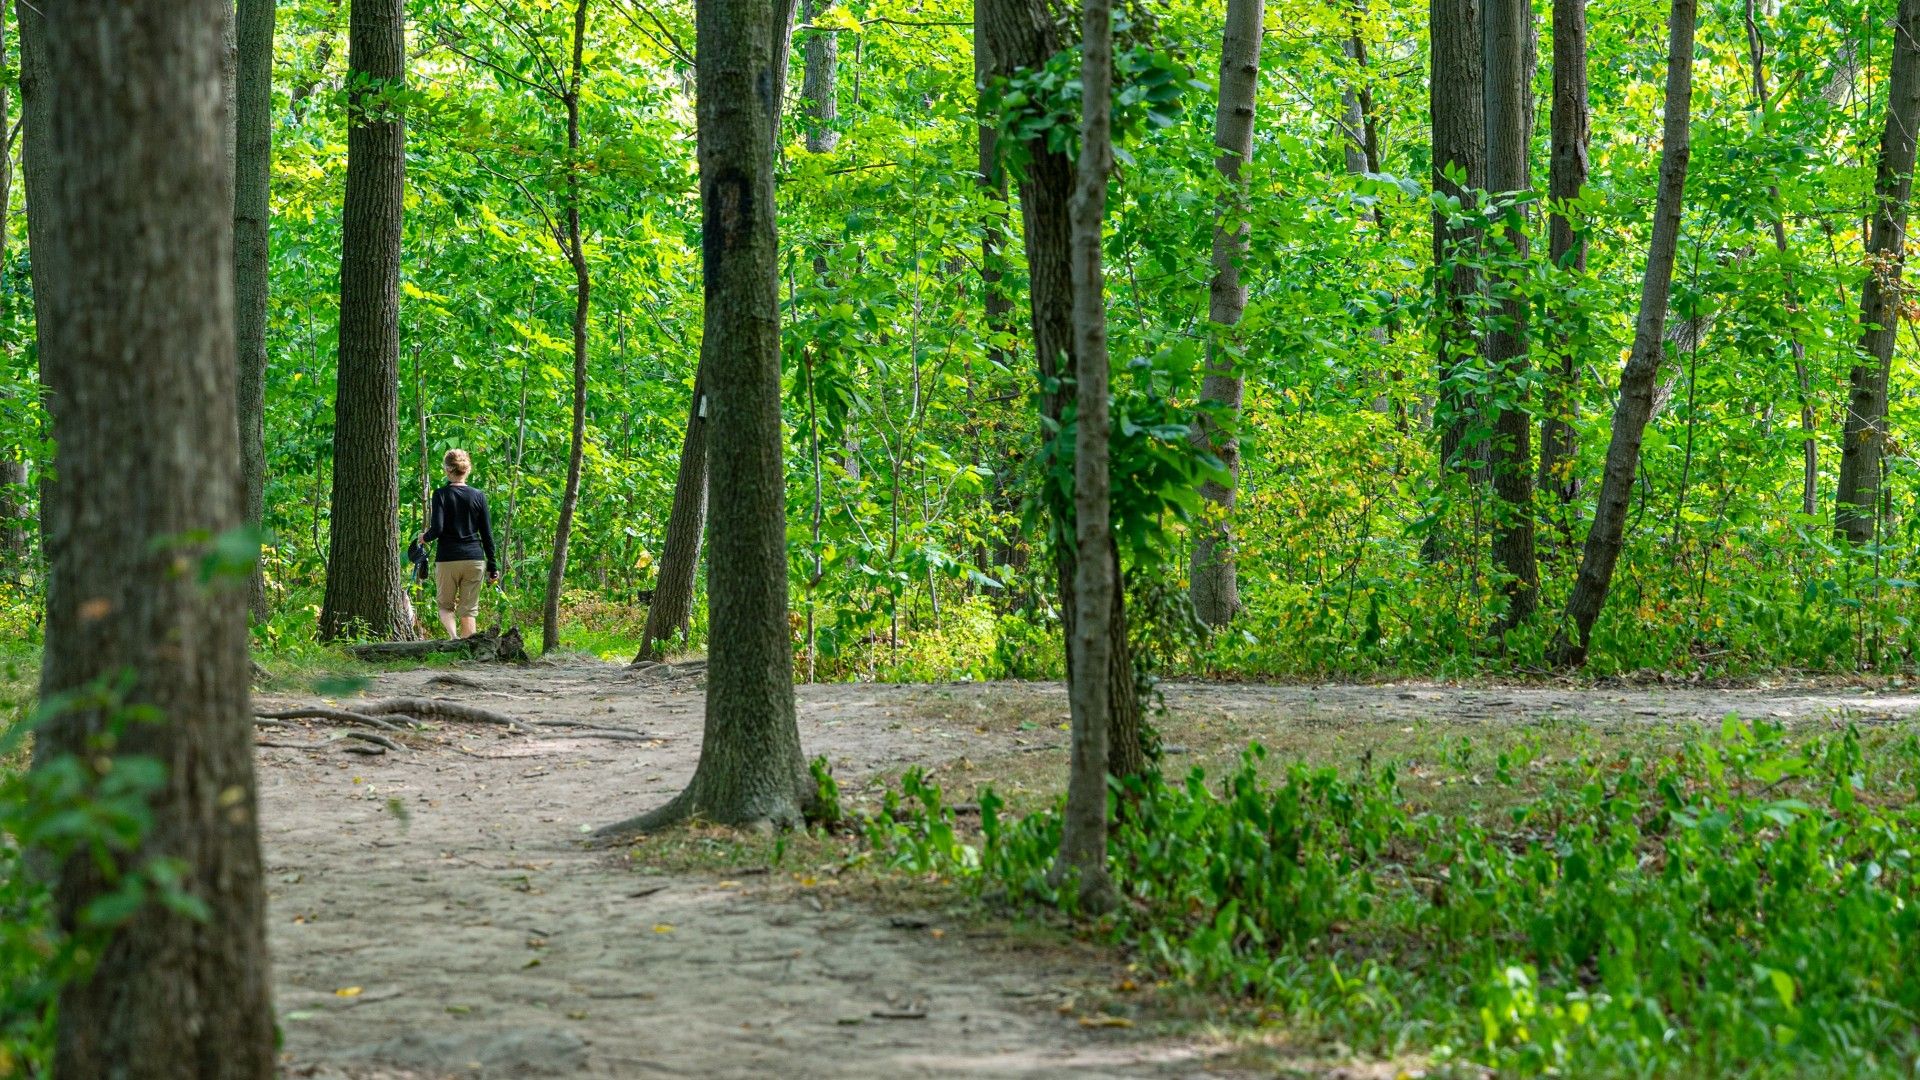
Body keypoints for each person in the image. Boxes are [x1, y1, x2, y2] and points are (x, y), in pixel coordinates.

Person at [418, 449, 499, 638]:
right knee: (469, 609)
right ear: (467, 469)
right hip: (474, 558)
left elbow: (437, 529)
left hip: (448, 558)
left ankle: (454, 639)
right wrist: (493, 566)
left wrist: (425, 537)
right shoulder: (478, 496)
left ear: (447, 470)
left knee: (445, 606)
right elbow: (487, 534)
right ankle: (468, 648)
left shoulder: (441, 494)